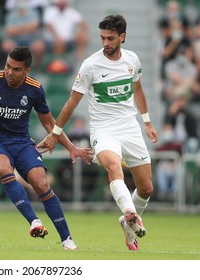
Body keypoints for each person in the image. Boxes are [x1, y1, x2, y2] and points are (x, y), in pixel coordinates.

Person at [37, 15, 159, 251]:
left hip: (130, 127)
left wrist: (147, 121)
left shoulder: (132, 59)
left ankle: (127, 223)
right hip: (104, 130)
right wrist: (55, 132)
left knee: (146, 188)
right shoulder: (90, 65)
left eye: (111, 38)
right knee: (114, 167)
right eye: (102, 38)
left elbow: (138, 89)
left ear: (122, 37)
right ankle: (130, 212)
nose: (106, 43)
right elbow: (71, 102)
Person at [0, 46, 93, 250]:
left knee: (41, 184)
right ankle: (34, 221)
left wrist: (70, 147)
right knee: (4, 168)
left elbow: (49, 123)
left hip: (22, 142)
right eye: (8, 66)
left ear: (27, 71)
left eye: (16, 69)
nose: (9, 72)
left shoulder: (34, 89)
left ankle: (67, 239)